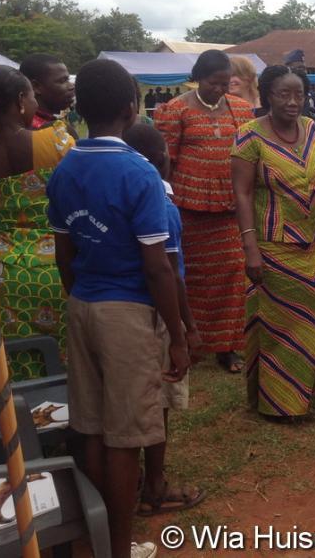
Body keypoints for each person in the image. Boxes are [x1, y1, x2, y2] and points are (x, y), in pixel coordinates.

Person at [47, 58, 189, 558]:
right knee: (125, 436)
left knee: (89, 427)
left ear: (80, 108)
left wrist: (81, 295)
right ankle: (121, 549)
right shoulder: (140, 173)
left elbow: (65, 253)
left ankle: (95, 541)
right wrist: (177, 335)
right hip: (126, 313)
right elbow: (158, 268)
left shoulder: (64, 169)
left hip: (83, 304)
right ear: (132, 109)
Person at [231, 65, 315, 417]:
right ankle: (280, 402)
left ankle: (308, 390)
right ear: (268, 95)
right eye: (284, 94)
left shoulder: (311, 129)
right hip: (274, 245)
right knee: (283, 323)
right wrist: (250, 248)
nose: (293, 102)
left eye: (299, 95)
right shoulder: (248, 136)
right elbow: (242, 194)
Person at [122, 123, 205, 518]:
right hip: (159, 314)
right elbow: (170, 274)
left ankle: (135, 477)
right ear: (162, 160)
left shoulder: (124, 193)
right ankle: (154, 484)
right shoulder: (163, 206)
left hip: (121, 311)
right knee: (160, 404)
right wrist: (186, 330)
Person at [0, 66, 74, 379]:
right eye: (31, 97)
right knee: (65, 363)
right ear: (20, 100)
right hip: (57, 269)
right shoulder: (57, 143)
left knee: (9, 364)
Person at [154, 50, 254, 373]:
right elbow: (165, 162)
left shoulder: (241, 109)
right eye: (213, 83)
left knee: (233, 274)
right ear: (198, 78)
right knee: (191, 277)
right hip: (188, 208)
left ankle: (228, 347)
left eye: (225, 84)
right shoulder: (176, 110)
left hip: (228, 209)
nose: (220, 89)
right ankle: (191, 339)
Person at [19, 53, 76, 135]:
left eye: (68, 79)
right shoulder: (30, 132)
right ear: (36, 86)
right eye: (62, 81)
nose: (71, 86)